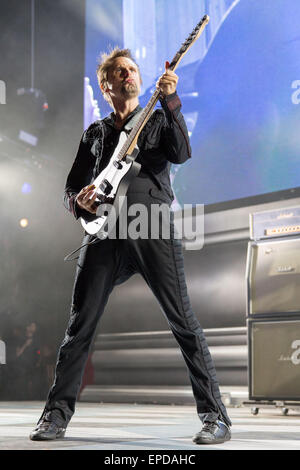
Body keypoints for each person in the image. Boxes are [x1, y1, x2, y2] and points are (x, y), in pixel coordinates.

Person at [29, 48, 232, 444]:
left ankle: (216, 418)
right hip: (104, 232)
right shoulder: (95, 133)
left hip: (152, 225)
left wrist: (172, 100)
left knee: (183, 322)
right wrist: (78, 202)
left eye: (133, 70)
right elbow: (71, 187)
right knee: (79, 326)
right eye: (120, 72)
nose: (129, 75)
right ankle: (55, 416)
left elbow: (182, 153)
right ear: (106, 86)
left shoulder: (157, 117)